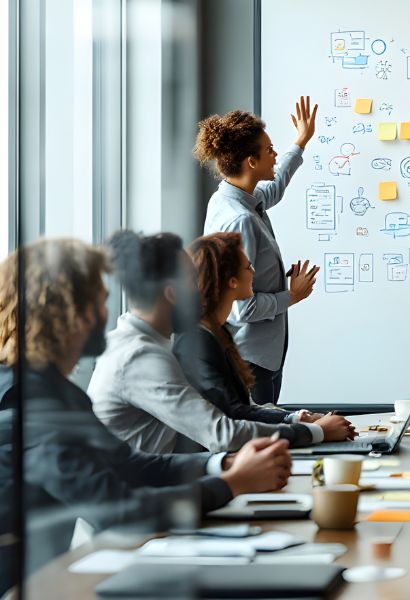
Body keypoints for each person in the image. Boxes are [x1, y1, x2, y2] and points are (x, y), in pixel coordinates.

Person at [0, 239, 291, 594]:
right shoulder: (30, 403)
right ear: (75, 312)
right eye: (100, 300)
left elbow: (130, 464)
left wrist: (224, 465)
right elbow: (118, 510)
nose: (105, 313)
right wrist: (232, 483)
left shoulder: (55, 392)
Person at [88, 230, 354, 454]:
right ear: (171, 294)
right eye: (192, 279)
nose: (202, 285)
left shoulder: (144, 345)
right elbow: (222, 433)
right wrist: (314, 432)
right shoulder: (141, 356)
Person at [196, 96, 319, 406]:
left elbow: (274, 188)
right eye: (269, 150)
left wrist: (300, 143)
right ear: (251, 162)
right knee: (262, 428)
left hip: (260, 355)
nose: (275, 155)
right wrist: (293, 295)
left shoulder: (231, 196)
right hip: (252, 360)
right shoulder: (241, 219)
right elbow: (243, 309)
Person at [175, 232, 336, 426]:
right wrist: (313, 429)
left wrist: (298, 417)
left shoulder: (219, 334)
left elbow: (246, 408)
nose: (254, 272)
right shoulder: (198, 343)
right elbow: (234, 417)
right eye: (248, 266)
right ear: (232, 281)